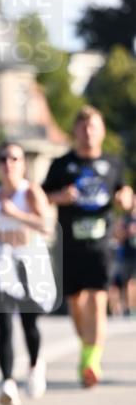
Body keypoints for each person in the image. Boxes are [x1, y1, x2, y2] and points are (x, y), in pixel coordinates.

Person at [42, 107, 133, 387]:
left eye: (93, 126)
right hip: (70, 245)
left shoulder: (113, 163)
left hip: (101, 244)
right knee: (76, 303)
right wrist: (60, 196)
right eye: (83, 127)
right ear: (75, 131)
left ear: (102, 131)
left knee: (97, 299)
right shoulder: (61, 164)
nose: (88, 132)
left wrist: (125, 198)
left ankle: (91, 360)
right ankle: (87, 348)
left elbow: (124, 192)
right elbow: (42, 196)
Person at [0, 142, 53, 405]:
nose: (9, 163)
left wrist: (16, 213)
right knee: (4, 323)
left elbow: (47, 225)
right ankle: (7, 382)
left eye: (15, 159)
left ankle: (34, 365)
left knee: (29, 323)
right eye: (4, 158)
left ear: (22, 164)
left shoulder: (29, 192)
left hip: (29, 263)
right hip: (2, 264)